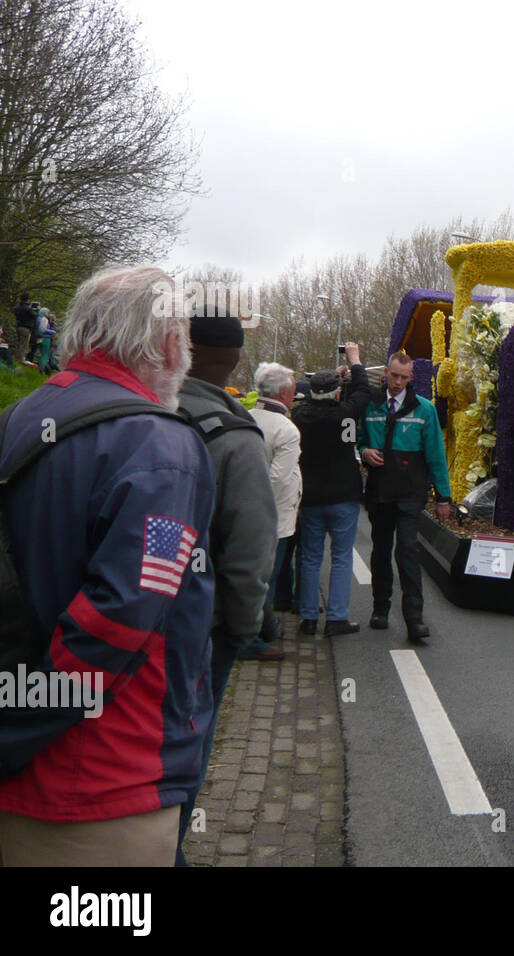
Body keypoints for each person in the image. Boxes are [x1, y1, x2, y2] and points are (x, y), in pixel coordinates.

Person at [0, 265, 214, 865]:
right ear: (169, 345)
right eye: (186, 338)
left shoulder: (19, 417)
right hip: (100, 784)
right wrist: (21, 730)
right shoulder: (160, 443)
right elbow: (122, 617)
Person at [175, 308, 277, 864]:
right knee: (188, 747)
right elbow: (248, 553)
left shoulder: (140, 409)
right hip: (204, 629)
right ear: (235, 360)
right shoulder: (235, 436)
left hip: (119, 617)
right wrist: (242, 630)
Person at [359, 351, 451, 644]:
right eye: (394, 376)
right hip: (379, 492)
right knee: (381, 550)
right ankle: (380, 608)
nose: (398, 382)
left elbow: (436, 453)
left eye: (404, 377)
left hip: (411, 494)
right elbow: (356, 439)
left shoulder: (424, 410)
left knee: (408, 552)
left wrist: (443, 497)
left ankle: (414, 619)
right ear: (386, 372)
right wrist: (363, 452)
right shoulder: (371, 405)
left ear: (411, 378)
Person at [292, 343, 371, 636]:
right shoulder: (346, 414)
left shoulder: (300, 417)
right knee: (341, 556)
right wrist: (355, 361)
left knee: (311, 556)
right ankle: (337, 617)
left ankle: (309, 617)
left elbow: (303, 392)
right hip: (343, 495)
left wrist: (330, 377)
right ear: (338, 393)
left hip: (311, 496)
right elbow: (363, 392)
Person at [247, 362, 303, 654]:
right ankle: (253, 639)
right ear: (283, 392)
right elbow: (277, 479)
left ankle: (263, 628)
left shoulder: (245, 416)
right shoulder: (287, 429)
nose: (295, 393)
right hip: (274, 517)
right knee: (265, 579)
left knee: (253, 576)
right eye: (293, 388)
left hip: (244, 513)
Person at [10, 293, 37, 368]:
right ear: (27, 300)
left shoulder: (17, 307)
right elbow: (35, 315)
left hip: (18, 326)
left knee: (20, 342)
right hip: (25, 328)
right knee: (24, 344)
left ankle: (19, 357)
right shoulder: (27, 308)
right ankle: (21, 359)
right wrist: (36, 310)